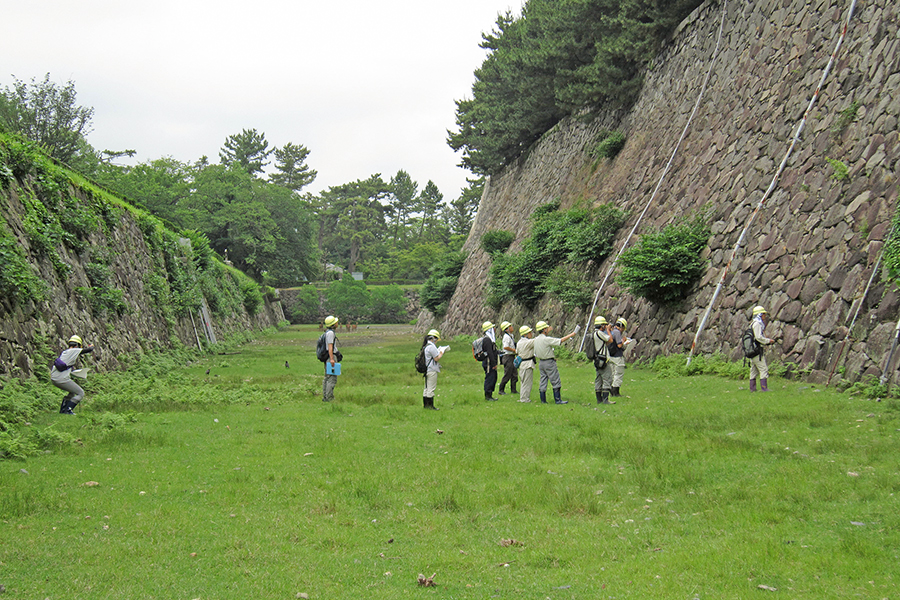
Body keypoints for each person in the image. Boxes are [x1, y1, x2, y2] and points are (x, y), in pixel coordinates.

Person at [533, 321, 579, 405]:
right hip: (549, 362)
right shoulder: (546, 339)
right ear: (544, 329)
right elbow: (560, 341)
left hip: (541, 363)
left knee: (543, 380)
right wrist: (572, 334)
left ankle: (543, 400)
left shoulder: (536, 339)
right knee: (555, 380)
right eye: (546, 328)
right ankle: (558, 400)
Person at [51, 334, 94, 415]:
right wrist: (91, 346)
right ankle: (68, 410)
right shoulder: (74, 351)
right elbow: (89, 350)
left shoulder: (65, 352)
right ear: (77, 345)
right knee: (80, 393)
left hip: (54, 378)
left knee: (72, 393)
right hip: (61, 379)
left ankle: (63, 411)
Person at [749, 306, 776, 392]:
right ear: (760, 315)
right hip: (756, 350)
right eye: (763, 314)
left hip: (752, 350)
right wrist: (768, 341)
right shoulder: (757, 324)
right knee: (763, 368)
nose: (765, 316)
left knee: (753, 370)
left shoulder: (753, 323)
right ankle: (764, 388)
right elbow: (758, 337)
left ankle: (752, 389)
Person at [591, 317, 615, 405]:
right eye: (604, 325)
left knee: (598, 379)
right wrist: (608, 330)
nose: (605, 326)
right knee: (607, 379)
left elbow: (605, 343)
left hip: (597, 359)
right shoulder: (600, 333)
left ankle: (599, 399)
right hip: (603, 359)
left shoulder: (594, 333)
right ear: (601, 325)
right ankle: (605, 400)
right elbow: (611, 340)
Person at [422, 329, 445, 410]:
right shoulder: (431, 347)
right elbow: (436, 358)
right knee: (431, 388)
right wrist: (442, 352)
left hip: (427, 369)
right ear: (433, 338)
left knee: (426, 388)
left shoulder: (426, 346)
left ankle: (426, 405)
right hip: (432, 370)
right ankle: (430, 406)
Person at [609, 317, 630, 397]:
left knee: (613, 373)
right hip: (617, 356)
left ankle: (611, 390)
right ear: (622, 326)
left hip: (610, 356)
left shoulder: (611, 331)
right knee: (619, 374)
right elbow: (619, 345)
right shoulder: (617, 333)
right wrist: (624, 342)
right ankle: (616, 392)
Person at [322, 315, 342, 402]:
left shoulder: (327, 332)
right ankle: (329, 397)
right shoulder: (330, 333)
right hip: (331, 356)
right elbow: (330, 347)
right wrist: (332, 359)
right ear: (333, 324)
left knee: (327, 377)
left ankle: (325, 396)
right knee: (332, 378)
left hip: (329, 357)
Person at [515, 325, 536, 402]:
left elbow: (516, 351)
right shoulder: (527, 342)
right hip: (527, 364)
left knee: (523, 382)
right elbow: (537, 340)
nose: (531, 334)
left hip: (522, 365)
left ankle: (523, 397)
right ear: (525, 334)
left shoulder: (519, 342)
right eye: (529, 332)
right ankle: (524, 399)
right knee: (527, 382)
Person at [497, 321, 518, 396]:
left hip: (512, 356)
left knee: (514, 374)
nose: (512, 327)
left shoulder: (511, 335)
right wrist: (514, 350)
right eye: (510, 326)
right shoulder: (506, 337)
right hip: (508, 357)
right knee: (507, 374)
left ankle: (513, 389)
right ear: (506, 329)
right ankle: (501, 389)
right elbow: (505, 347)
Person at [480, 321, 499, 400]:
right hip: (489, 363)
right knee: (490, 377)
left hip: (490, 362)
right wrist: (494, 363)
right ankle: (488, 395)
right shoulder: (487, 340)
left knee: (493, 377)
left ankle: (490, 394)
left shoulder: (489, 339)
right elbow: (490, 353)